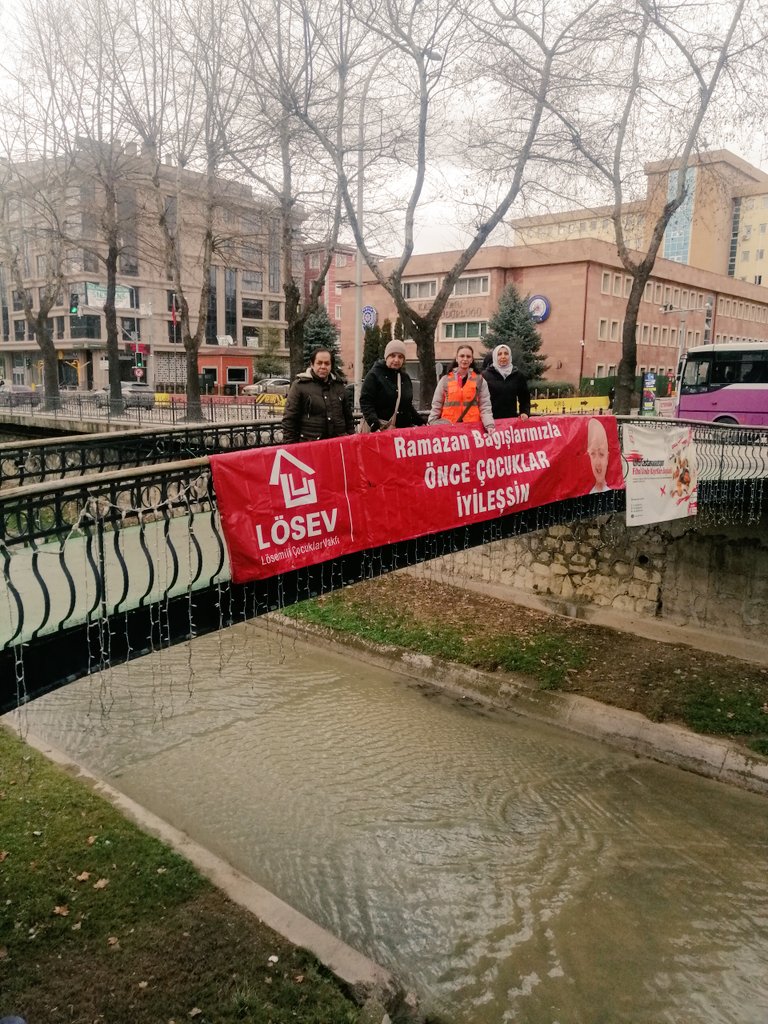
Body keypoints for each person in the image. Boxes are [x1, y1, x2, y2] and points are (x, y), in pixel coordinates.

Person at [282, 347, 354, 444]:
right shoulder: (299, 386)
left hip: (337, 444)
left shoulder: (339, 386)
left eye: (327, 363)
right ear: (312, 364)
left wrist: (351, 439)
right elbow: (289, 420)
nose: (323, 367)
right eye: (319, 363)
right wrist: (291, 447)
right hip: (310, 445)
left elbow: (348, 418)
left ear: (331, 366)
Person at [359, 339, 425, 431]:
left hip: (401, 431)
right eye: (393, 356)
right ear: (386, 357)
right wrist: (374, 424)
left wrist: (421, 422)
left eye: (400, 357)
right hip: (379, 430)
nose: (396, 360)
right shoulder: (374, 375)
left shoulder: (405, 378)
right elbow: (366, 402)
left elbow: (407, 406)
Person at [428, 344, 495, 432]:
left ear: (472, 360)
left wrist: (489, 425)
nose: (465, 359)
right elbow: (436, 405)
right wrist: (431, 423)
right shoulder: (445, 380)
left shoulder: (480, 381)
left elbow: (485, 406)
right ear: (457, 358)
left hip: (472, 428)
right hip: (449, 429)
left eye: (468, 356)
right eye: (462, 356)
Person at [482, 344, 530, 421]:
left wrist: (525, 412)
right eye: (499, 354)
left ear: (510, 356)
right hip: (490, 421)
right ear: (495, 356)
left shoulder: (517, 375)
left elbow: (525, 398)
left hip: (511, 421)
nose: (503, 357)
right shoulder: (485, 375)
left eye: (506, 353)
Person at [586, 417, 611, 493]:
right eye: (593, 454)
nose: (598, 463)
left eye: (601, 454)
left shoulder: (613, 493)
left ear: (607, 458)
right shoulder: (587, 493)